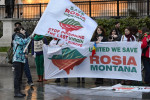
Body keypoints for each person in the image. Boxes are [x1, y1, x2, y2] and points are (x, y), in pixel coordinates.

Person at [12, 22, 34, 86]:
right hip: (17, 58)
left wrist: (26, 53)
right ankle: (17, 91)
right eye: (22, 30)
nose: (24, 31)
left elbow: (26, 46)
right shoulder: (16, 37)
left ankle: (21, 86)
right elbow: (23, 42)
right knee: (18, 74)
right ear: (19, 31)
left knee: (23, 70)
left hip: (22, 57)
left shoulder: (23, 36)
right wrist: (30, 36)